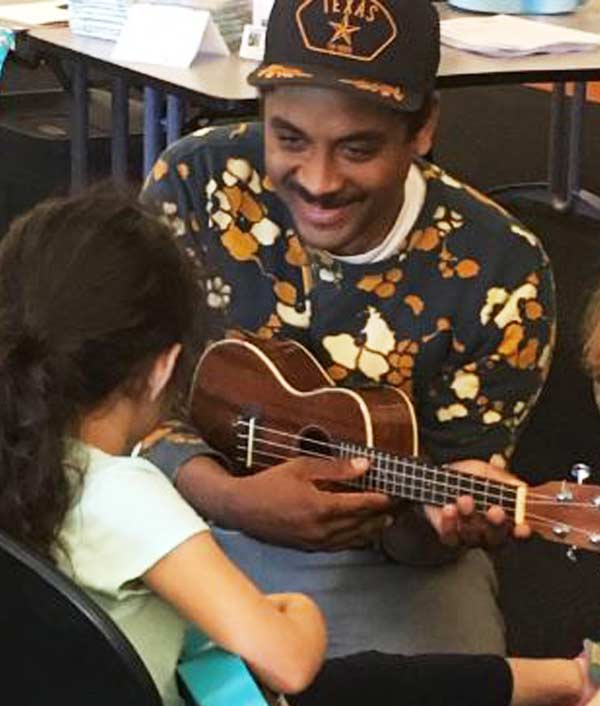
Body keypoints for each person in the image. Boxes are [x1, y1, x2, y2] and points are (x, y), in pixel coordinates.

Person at [0, 187, 595, 706]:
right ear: (163, 367)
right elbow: (288, 661)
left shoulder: (24, 457)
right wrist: (298, 614)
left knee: (373, 679)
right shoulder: (127, 497)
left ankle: (571, 681)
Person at [139, 0, 555, 659]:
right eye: (290, 138)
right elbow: (121, 394)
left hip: (373, 565)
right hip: (173, 509)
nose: (319, 181)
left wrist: (439, 527)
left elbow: (427, 525)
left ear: (422, 131)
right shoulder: (199, 182)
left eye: (358, 148)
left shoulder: (500, 270)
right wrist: (228, 498)